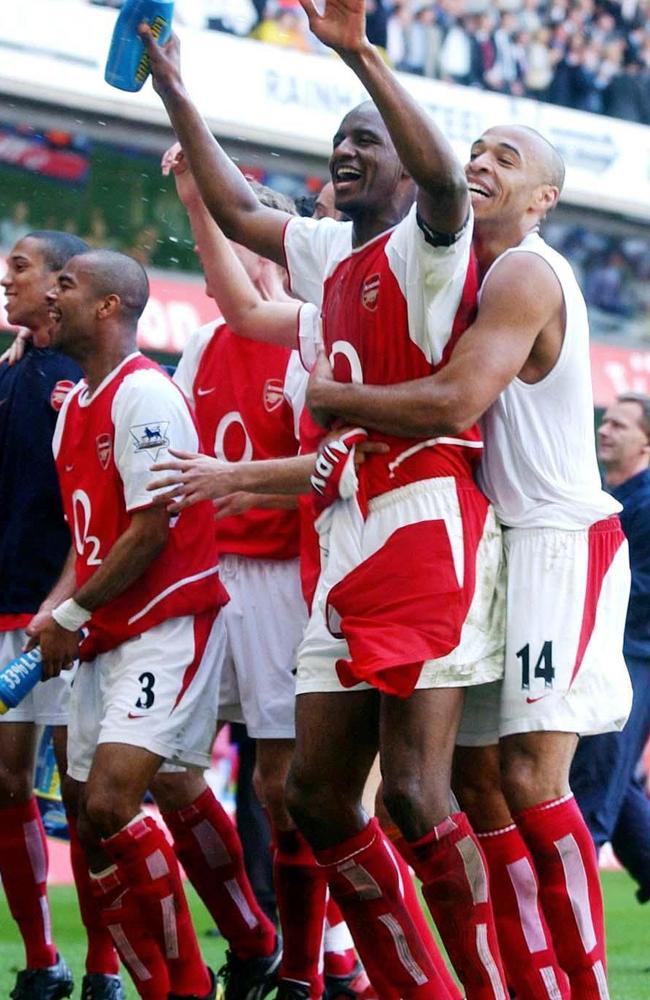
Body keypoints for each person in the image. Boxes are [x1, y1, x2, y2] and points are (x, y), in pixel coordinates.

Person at [142, 4, 507, 998]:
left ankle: (473, 984)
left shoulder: (429, 248)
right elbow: (236, 210)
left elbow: (440, 178)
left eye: (364, 140)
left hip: (421, 518)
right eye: (337, 139)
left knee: (421, 795)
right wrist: (177, 93)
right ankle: (409, 984)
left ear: (401, 162)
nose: (344, 151)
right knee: (308, 792)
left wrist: (356, 55)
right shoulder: (323, 256)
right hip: (342, 528)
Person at [304, 123, 632, 999]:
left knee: (527, 779)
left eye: (508, 159)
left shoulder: (526, 270)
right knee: (477, 787)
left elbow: (452, 400)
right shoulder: (448, 278)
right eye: (476, 151)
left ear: (544, 200)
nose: (483, 164)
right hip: (496, 544)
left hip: (560, 538)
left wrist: (334, 397)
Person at [151, 144, 376, 1000]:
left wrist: (233, 484)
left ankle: (319, 964)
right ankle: (255, 940)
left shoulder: (307, 342)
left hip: (288, 578)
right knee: (168, 769)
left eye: (235, 233)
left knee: (286, 786)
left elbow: (324, 475)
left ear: (272, 252)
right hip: (212, 581)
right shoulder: (204, 343)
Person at [31, 248, 230, 1000]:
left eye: (67, 284)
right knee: (86, 815)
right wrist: (59, 608)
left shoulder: (146, 395)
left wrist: (71, 612)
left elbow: (150, 530)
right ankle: (165, 982)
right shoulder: (74, 409)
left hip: (165, 623)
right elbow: (89, 544)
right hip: (102, 632)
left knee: (115, 802)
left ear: (110, 306)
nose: (53, 293)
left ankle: (188, 985)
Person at [0, 230, 126, 1000]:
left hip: (74, 616)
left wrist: (69, 603)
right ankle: (45, 964)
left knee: (86, 794)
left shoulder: (88, 382)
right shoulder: (14, 370)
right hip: (11, 604)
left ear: (61, 285)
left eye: (19, 266)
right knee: (10, 782)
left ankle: (106, 971)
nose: (5, 277)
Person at [571, 393, 650, 904]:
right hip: (597, 650)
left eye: (621, 425)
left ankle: (567, 950)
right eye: (605, 422)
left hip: (634, 657)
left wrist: (576, 585)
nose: (606, 430)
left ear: (646, 441)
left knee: (594, 787)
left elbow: (642, 587)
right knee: (615, 789)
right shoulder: (601, 495)